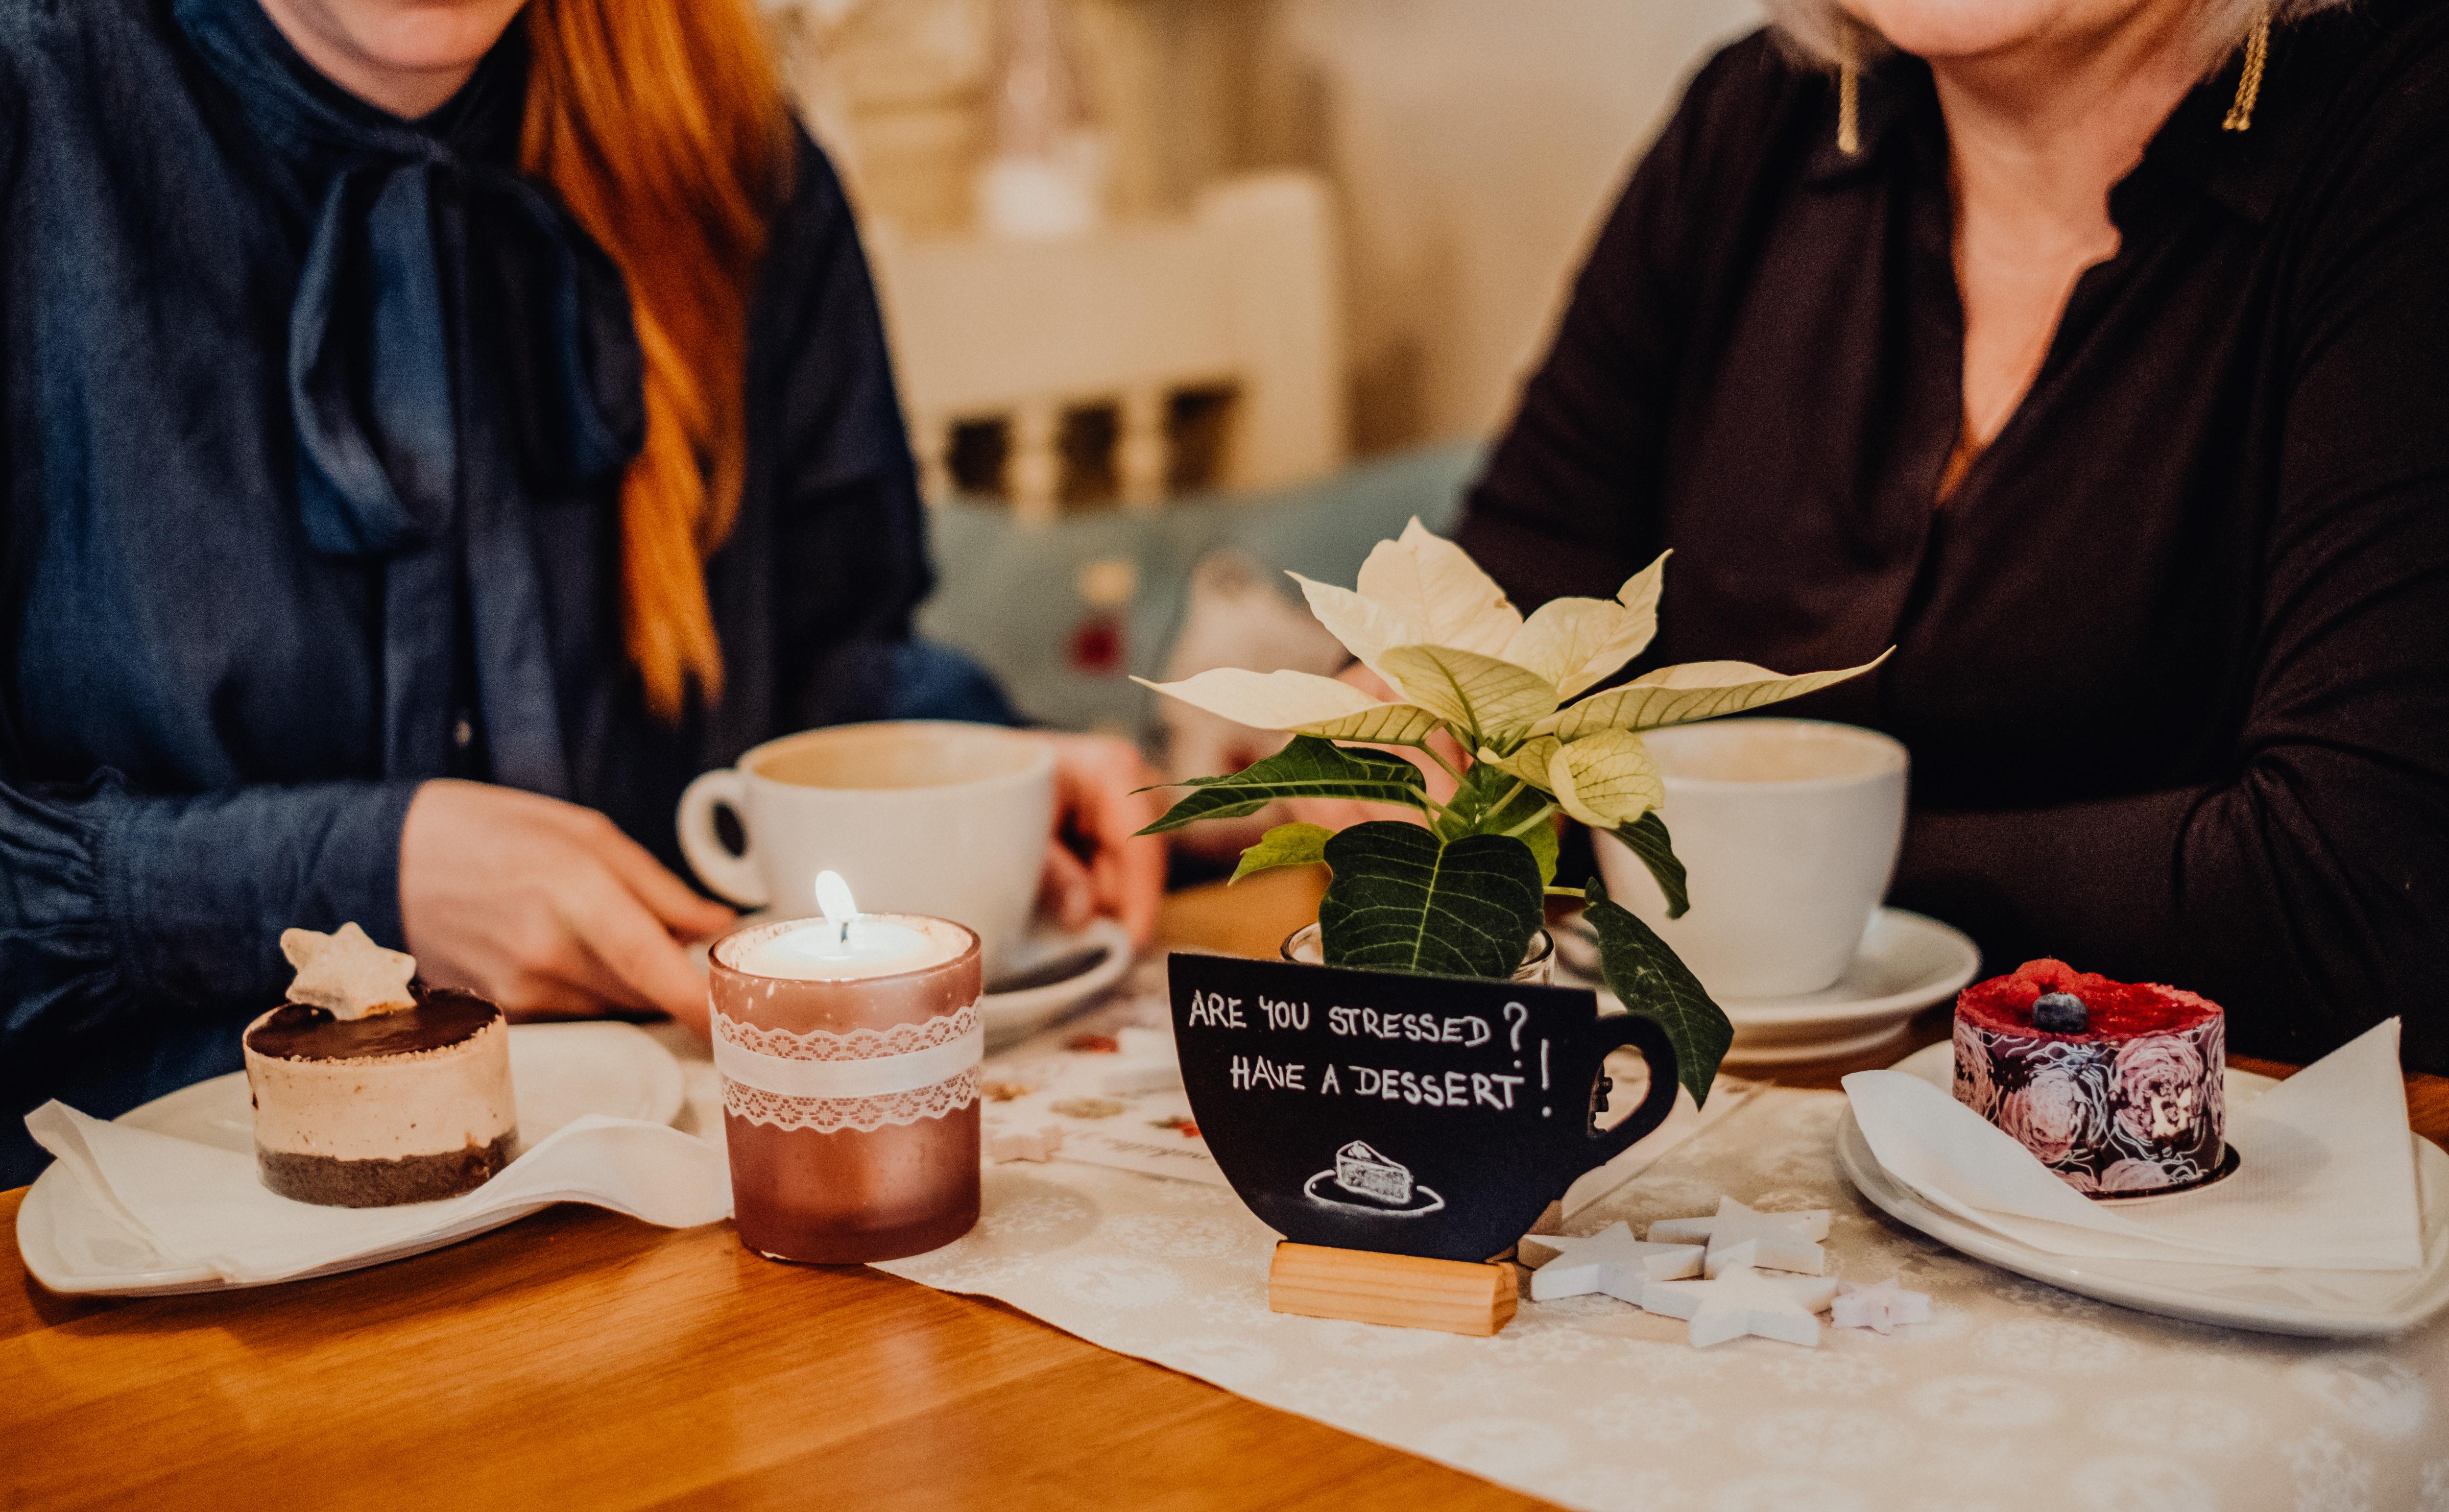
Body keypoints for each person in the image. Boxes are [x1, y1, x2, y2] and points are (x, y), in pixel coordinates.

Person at [0, 0, 1166, 1185]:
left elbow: (810, 671)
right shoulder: (33, 103)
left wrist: (979, 771)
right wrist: (361, 873)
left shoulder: (739, 162)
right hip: (118, 1245)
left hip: (651, 1208)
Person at [1450, 0, 2449, 1071]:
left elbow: (2355, 899)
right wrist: (1405, 738)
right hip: (1716, 1124)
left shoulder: (2408, 133)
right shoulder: (1757, 114)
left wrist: (1702, 856)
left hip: (2210, 1185)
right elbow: (1510, 604)